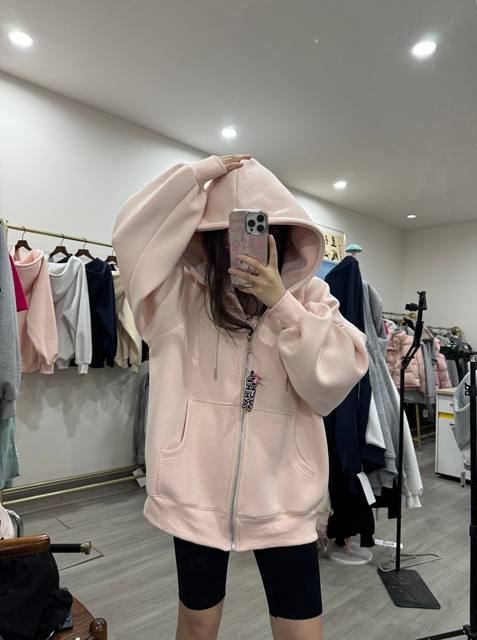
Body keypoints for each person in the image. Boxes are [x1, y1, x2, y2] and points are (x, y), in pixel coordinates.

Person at [112, 154, 368, 640]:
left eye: (262, 230)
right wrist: (196, 176)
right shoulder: (177, 296)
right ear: (214, 235)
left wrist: (281, 302)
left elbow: (336, 379)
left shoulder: (311, 298)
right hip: (195, 492)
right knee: (197, 626)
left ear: (283, 235)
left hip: (284, 498)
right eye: (232, 230)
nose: (245, 243)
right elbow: (130, 233)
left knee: (301, 633)